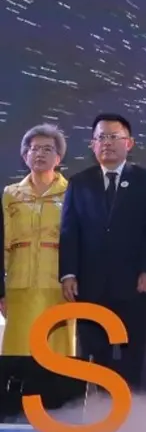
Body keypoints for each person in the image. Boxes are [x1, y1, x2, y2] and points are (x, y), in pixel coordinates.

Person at [59, 113, 146, 392]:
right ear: (92, 145)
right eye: (100, 137)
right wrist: (68, 273)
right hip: (90, 284)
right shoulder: (79, 182)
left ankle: (137, 411)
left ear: (129, 143)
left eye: (113, 137)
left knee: (135, 353)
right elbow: (69, 232)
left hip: (136, 284)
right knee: (94, 353)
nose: (106, 143)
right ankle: (97, 411)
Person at [1, 124, 75, 356]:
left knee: (58, 353)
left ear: (59, 158)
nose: (39, 154)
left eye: (47, 149)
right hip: (19, 286)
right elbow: (4, 241)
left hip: (60, 287)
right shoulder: (10, 194)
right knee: (19, 350)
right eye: (34, 149)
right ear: (25, 156)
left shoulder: (72, 192)